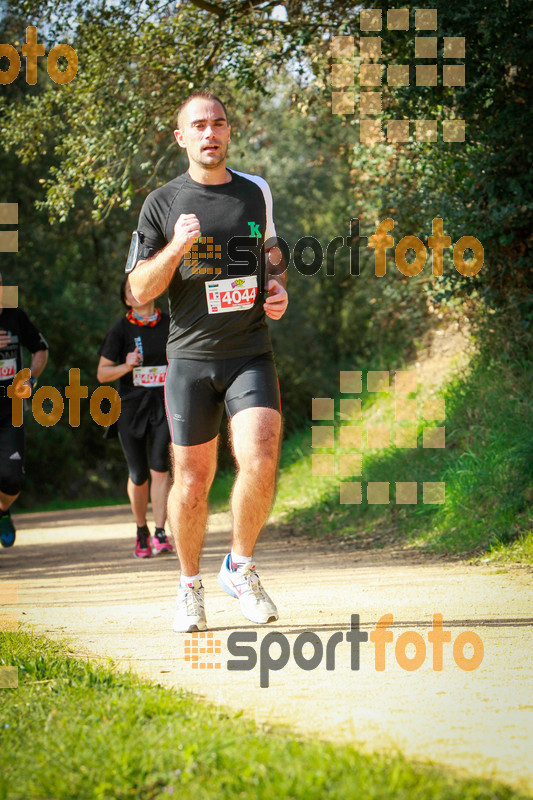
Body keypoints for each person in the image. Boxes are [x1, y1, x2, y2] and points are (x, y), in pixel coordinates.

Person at [128, 89, 288, 633]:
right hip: (190, 360)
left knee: (261, 456)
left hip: (250, 351)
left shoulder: (255, 192)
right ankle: (189, 586)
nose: (209, 133)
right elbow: (137, 292)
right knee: (192, 481)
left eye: (218, 123)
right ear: (181, 137)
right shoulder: (162, 202)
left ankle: (239, 567)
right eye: (198, 125)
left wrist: (277, 289)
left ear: (228, 130)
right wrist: (174, 248)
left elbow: (271, 258)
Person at [97, 276, 173, 558]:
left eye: (140, 286)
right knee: (139, 474)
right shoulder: (120, 329)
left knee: (159, 466)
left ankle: (161, 531)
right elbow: (102, 374)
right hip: (130, 406)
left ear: (151, 289)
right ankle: (142, 530)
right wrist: (125, 366)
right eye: (130, 290)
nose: (136, 292)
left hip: (164, 403)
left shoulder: (169, 323)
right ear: (127, 299)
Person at [0, 273, 48, 547]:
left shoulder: (15, 316)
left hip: (11, 409)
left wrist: (30, 379)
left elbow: (40, 349)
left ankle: (2, 510)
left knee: (12, 477)